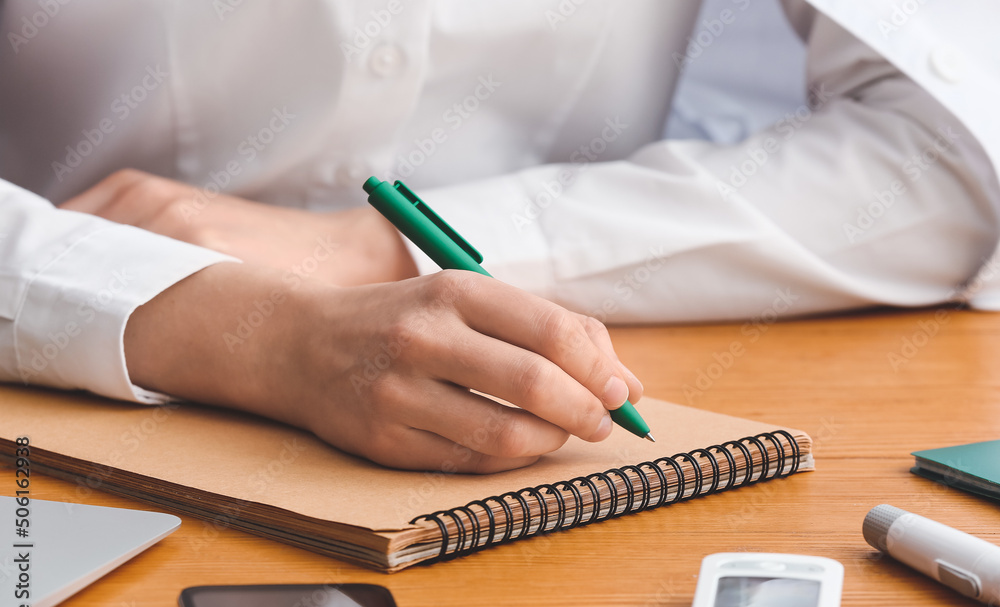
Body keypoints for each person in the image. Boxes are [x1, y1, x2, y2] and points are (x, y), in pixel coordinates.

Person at [1, 0, 998, 472]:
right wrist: (256, 329)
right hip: (57, 395)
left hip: (513, 385)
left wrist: (385, 249)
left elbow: (959, 155)